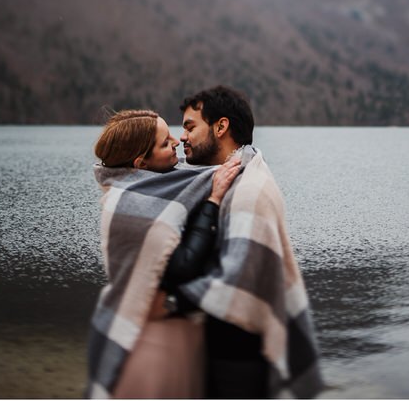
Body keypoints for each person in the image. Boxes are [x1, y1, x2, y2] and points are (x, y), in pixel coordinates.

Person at [172, 85, 324, 398]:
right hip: (224, 344)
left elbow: (236, 282)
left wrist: (167, 301)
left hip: (239, 354)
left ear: (221, 126)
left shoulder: (250, 191)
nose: (181, 137)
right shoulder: (231, 178)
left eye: (189, 127)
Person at [88, 109, 242, 398]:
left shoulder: (165, 182)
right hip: (151, 343)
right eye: (164, 142)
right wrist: (213, 201)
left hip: (179, 333)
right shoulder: (127, 202)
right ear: (141, 162)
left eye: (170, 133)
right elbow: (180, 266)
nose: (176, 141)